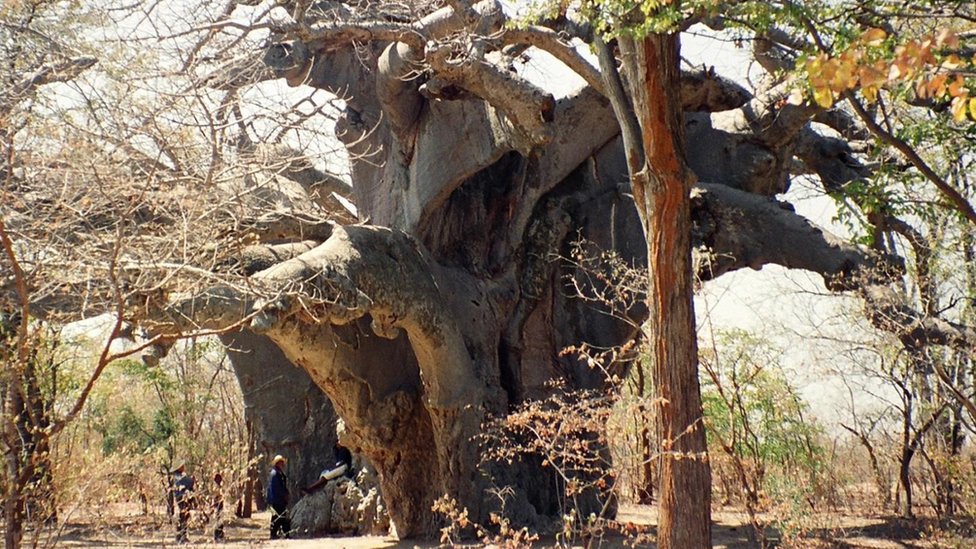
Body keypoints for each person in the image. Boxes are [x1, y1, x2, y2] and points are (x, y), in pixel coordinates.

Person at [266, 454, 290, 539]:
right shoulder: (275, 474)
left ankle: (284, 533)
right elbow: (277, 488)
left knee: (281, 516)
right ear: (277, 463)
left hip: (279, 499)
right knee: (277, 516)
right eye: (281, 462)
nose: (282, 464)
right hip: (277, 499)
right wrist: (283, 495)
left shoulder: (278, 473)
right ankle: (274, 533)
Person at [170, 463, 195, 543]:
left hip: (185, 498)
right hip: (180, 499)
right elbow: (185, 484)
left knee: (185, 518)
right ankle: (180, 537)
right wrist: (191, 481)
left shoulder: (181, 475)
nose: (183, 467)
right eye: (182, 466)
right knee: (181, 518)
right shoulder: (177, 476)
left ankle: (183, 536)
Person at [211, 472, 225, 541]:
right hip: (218, 506)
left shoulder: (219, 487)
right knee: (218, 521)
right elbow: (215, 497)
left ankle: (220, 535)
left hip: (220, 505)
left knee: (220, 521)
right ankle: (217, 536)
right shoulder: (216, 487)